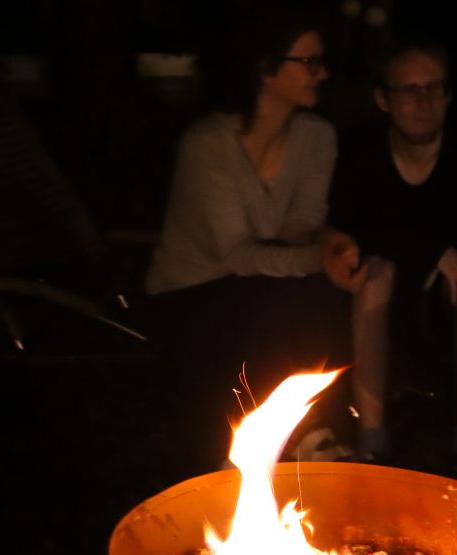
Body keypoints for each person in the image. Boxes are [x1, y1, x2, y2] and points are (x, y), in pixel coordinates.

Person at [143, 4, 364, 474]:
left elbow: (299, 226)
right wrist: (315, 260)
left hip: (259, 285)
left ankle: (320, 431)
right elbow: (238, 255)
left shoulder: (316, 138)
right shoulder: (208, 146)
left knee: (308, 292)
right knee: (279, 298)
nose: (321, 73)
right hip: (190, 293)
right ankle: (294, 441)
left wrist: (328, 246)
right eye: (307, 62)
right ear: (266, 68)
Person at [327, 38, 457, 468]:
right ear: (384, 100)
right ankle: (372, 438)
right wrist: (432, 249)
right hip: (385, 287)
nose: (423, 102)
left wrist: (441, 257)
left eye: (433, 88)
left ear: (448, 94)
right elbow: (356, 224)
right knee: (375, 273)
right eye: (408, 91)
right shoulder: (362, 155)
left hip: (443, 293)